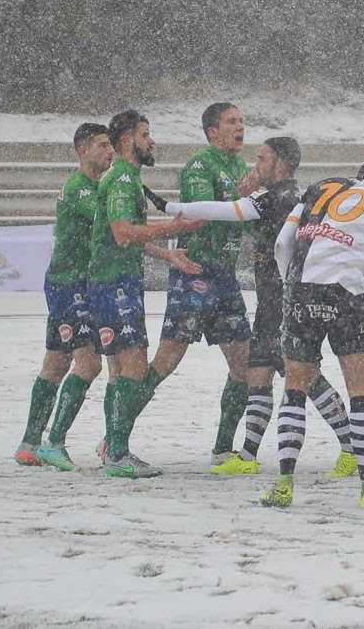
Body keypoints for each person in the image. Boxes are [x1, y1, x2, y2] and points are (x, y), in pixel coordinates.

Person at [164, 137, 357, 476]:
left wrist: (170, 209)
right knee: (260, 374)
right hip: (276, 300)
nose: (256, 164)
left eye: (262, 158)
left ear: (280, 163)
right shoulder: (291, 197)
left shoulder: (278, 198)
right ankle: (249, 456)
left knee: (305, 375)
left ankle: (351, 449)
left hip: (285, 302)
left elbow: (226, 213)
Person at [257, 158, 364, 508]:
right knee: (360, 394)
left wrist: (293, 284)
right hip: (346, 294)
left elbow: (281, 244)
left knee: (294, 390)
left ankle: (284, 484)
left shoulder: (320, 188)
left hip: (301, 291)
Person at [121, 103, 255, 474]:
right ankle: (115, 439)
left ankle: (222, 450)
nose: (240, 128)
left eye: (242, 122)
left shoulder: (242, 169)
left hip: (225, 277)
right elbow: (197, 214)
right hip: (194, 273)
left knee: (243, 365)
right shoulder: (201, 165)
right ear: (212, 131)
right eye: (232, 122)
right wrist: (240, 202)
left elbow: (244, 219)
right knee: (166, 362)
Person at [87, 109, 205, 478]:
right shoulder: (123, 178)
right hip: (114, 284)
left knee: (122, 370)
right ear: (127, 141)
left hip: (113, 281)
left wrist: (167, 253)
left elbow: (120, 234)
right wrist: (170, 227)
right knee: (134, 367)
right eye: (145, 135)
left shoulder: (126, 178)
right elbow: (124, 233)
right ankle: (117, 452)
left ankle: (113, 448)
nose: (152, 142)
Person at [14, 123, 112, 470]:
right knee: (90, 364)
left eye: (111, 144)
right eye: (102, 145)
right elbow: (110, 224)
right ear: (82, 151)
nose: (109, 151)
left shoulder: (97, 186)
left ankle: (29, 442)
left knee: (55, 364)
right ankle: (54, 443)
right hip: (70, 285)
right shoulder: (79, 188)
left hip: (72, 283)